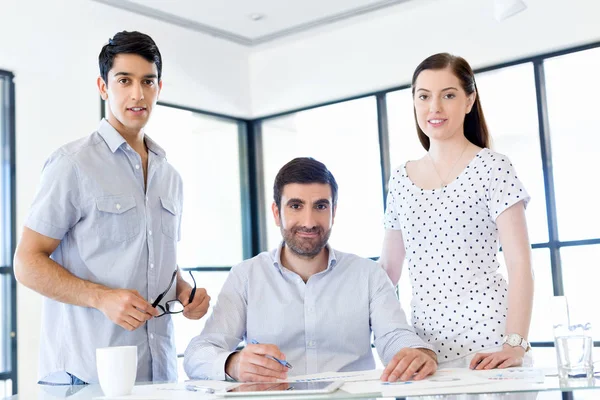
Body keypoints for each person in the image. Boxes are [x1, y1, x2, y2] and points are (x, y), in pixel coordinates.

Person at [13, 31, 210, 385]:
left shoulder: (171, 177)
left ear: (159, 88)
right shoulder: (71, 164)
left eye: (147, 81)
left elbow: (154, 261)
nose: (137, 93)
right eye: (124, 80)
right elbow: (26, 263)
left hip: (157, 376)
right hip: (84, 377)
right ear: (104, 88)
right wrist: (100, 298)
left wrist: (183, 291)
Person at [184, 157, 437, 383]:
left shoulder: (368, 275)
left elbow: (395, 336)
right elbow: (198, 353)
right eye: (295, 206)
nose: (308, 222)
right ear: (276, 212)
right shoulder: (245, 277)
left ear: (334, 212)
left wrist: (416, 353)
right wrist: (233, 364)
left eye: (320, 206)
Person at [380, 52, 534, 370]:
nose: (434, 108)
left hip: (490, 343)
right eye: (424, 96)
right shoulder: (400, 178)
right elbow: (388, 271)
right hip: (426, 352)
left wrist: (514, 345)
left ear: (469, 100)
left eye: (448, 95)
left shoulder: (494, 167)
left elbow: (521, 265)